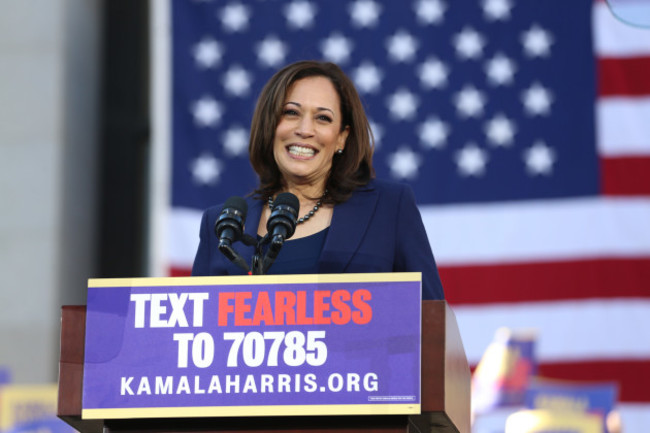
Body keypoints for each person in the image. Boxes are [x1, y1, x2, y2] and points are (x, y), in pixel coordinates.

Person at [192, 60, 444, 300]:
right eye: (290, 112)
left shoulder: (390, 208)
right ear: (269, 126)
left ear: (342, 137)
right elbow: (194, 332)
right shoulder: (222, 226)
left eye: (322, 118)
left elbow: (433, 323)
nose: (304, 129)